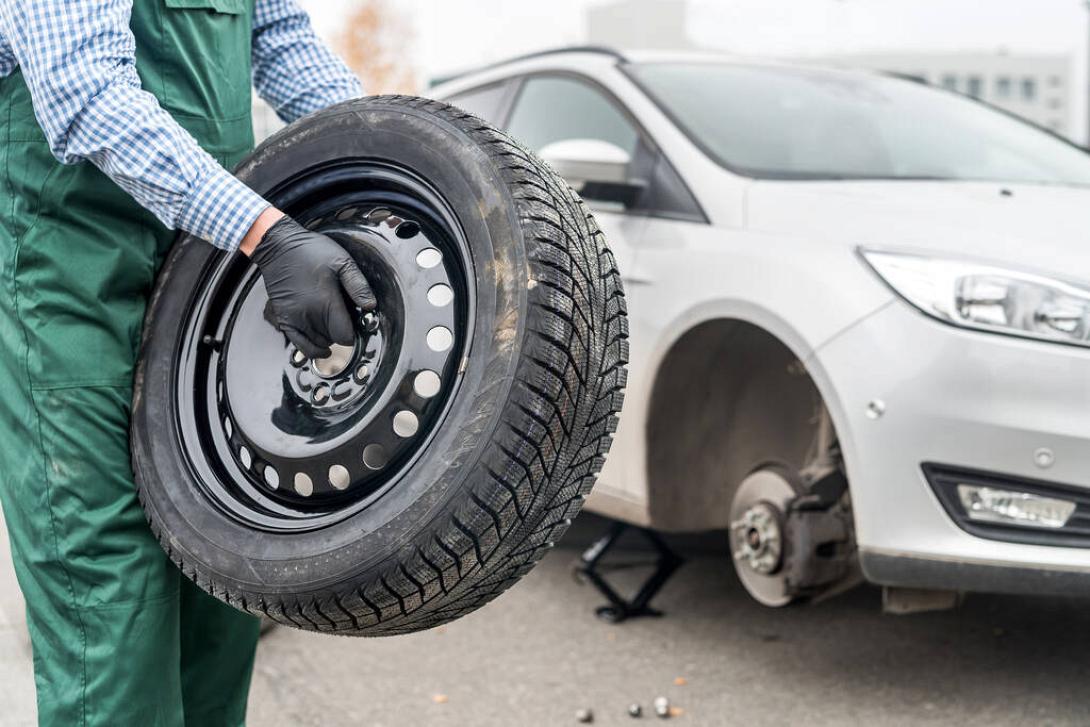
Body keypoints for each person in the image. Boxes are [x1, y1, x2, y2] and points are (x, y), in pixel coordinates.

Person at [0, 1, 375, 724]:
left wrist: (401, 152)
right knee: (110, 599)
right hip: (72, 272)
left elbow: (281, 41)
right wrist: (265, 233)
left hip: (210, 266)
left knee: (224, 576)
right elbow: (81, 88)